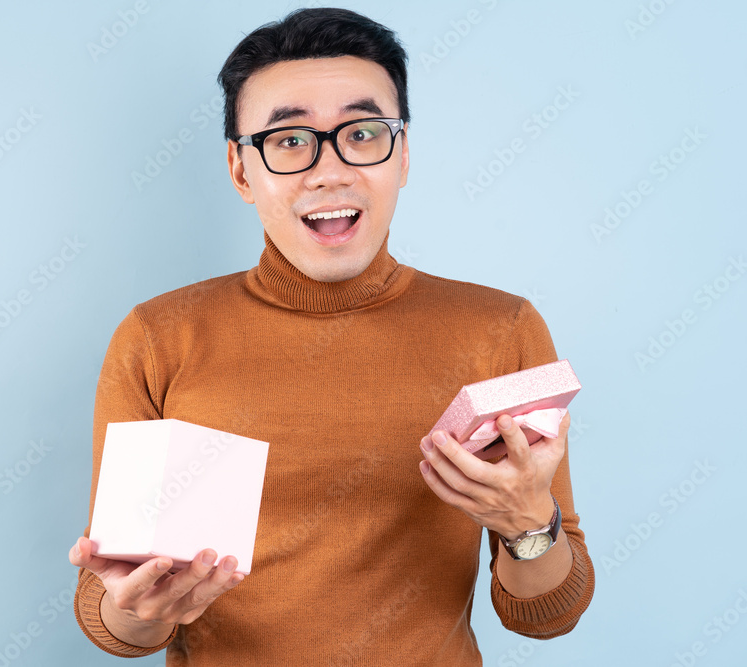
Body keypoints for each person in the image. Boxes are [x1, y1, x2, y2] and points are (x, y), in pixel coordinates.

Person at [69, 7, 594, 664]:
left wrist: (527, 524)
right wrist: (143, 609)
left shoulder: (500, 330)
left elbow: (549, 614)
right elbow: (114, 615)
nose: (330, 170)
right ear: (240, 170)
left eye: (363, 132)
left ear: (401, 154)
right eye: (290, 141)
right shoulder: (159, 337)